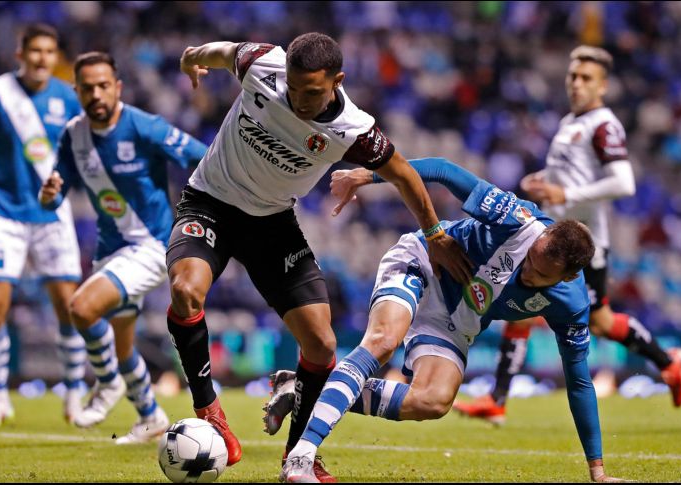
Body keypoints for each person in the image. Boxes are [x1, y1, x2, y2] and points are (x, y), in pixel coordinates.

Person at [168, 33, 472, 479]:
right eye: (292, 88)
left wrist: (435, 233)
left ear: (337, 81)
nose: (299, 100)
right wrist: (190, 57)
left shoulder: (353, 129)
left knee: (323, 342)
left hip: (271, 223)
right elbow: (218, 52)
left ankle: (299, 456)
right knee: (185, 289)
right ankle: (209, 409)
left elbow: (406, 175)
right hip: (210, 201)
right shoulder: (262, 63)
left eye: (311, 92)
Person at [280, 157, 625, 483]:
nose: (527, 270)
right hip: (426, 262)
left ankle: (304, 387)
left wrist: (597, 470)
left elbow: (579, 382)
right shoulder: (516, 217)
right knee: (384, 341)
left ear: (565, 279)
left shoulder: (572, 305)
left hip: (457, 318)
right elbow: (442, 170)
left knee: (432, 401)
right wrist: (366, 176)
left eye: (539, 274)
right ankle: (302, 455)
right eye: (531, 259)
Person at [453, 45, 681, 424]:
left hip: (584, 248)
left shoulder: (604, 125)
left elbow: (623, 182)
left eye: (586, 78)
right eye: (573, 76)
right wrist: (544, 183)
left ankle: (669, 363)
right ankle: (498, 399)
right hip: (557, 239)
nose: (576, 84)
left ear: (604, 86)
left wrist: (567, 194)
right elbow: (572, 177)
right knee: (526, 310)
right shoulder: (570, 122)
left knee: (601, 322)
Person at [39, 51, 208, 444]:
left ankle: (107, 382)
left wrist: (199, 212)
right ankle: (150, 416)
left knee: (81, 308)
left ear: (117, 88)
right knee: (122, 342)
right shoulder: (73, 135)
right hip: (110, 247)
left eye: (103, 86)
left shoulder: (144, 126)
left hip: (151, 245)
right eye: (88, 88)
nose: (96, 94)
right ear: (76, 91)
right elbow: (52, 196)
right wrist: (48, 194)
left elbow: (204, 157)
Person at [0, 23, 86, 428]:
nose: (42, 58)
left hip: (52, 214)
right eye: (35, 51)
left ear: (56, 57)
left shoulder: (66, 97)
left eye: (49, 51)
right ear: (20, 54)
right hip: (3, 211)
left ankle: (74, 393)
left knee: (68, 307)